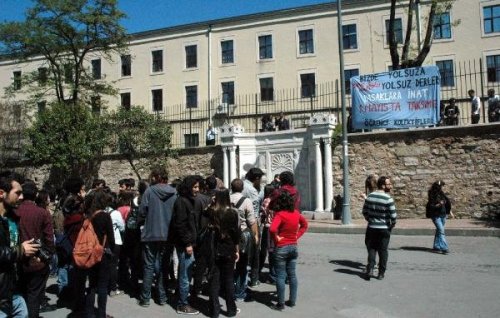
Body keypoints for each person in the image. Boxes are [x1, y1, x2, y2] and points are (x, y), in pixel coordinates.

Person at [0, 171, 40, 318]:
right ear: (1, 193)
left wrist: (28, 256)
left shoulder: (13, 218)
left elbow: (12, 249)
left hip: (13, 292)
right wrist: (21, 250)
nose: (22, 197)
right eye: (18, 193)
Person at [138, 167, 176, 307]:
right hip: (167, 234)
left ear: (155, 177)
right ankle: (162, 297)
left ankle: (145, 298)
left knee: (149, 266)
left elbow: (142, 212)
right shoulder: (174, 192)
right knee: (163, 266)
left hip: (150, 233)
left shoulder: (149, 191)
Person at [16, 181, 55, 318]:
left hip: (18, 257)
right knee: (34, 297)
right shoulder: (42, 213)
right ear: (36, 194)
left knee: (21, 294)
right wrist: (46, 257)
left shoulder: (15, 211)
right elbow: (49, 239)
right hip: (38, 260)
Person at [75, 189, 115, 318]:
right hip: (102, 254)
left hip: (90, 253)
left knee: (92, 285)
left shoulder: (89, 216)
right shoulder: (105, 216)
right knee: (102, 286)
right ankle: (101, 314)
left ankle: (90, 313)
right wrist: (113, 252)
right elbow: (111, 237)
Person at [269, 191, 308, 311]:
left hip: (282, 247)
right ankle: (292, 301)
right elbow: (305, 225)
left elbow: (272, 229)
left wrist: (277, 238)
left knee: (280, 276)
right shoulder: (296, 213)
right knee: (292, 275)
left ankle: (280, 304)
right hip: (293, 246)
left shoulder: (280, 214)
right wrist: (297, 236)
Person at [205, 189, 241, 318]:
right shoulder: (232, 213)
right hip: (228, 248)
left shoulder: (212, 212)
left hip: (214, 249)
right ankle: (231, 309)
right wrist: (237, 249)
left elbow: (204, 212)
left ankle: (214, 311)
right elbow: (236, 234)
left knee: (214, 281)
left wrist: (211, 203)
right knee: (229, 280)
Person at [170, 176, 201, 315]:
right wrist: (188, 243)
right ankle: (182, 304)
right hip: (184, 244)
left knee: (186, 273)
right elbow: (180, 225)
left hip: (187, 242)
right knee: (185, 274)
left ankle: (182, 298)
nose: (197, 190)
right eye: (195, 187)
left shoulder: (186, 200)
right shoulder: (182, 202)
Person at [362, 176, 397, 281]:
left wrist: (371, 220)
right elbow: (393, 216)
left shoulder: (370, 196)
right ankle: (381, 273)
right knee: (383, 250)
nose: (390, 186)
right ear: (383, 185)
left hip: (372, 227)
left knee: (372, 248)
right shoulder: (388, 199)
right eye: (388, 184)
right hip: (384, 228)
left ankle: (371, 268)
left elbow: (364, 212)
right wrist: (391, 225)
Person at [230, 178, 258, 302]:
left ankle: (229, 288)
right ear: (242, 188)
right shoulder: (247, 201)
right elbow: (252, 221)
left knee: (229, 265)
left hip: (228, 236)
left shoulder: (226, 199)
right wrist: (255, 236)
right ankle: (240, 292)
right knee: (242, 265)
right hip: (242, 235)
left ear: (231, 187)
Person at [242, 168, 264, 288]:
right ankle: (254, 278)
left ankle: (242, 277)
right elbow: (254, 212)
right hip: (251, 223)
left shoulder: (242, 184)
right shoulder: (252, 190)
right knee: (255, 251)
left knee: (242, 251)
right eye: (260, 179)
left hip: (240, 223)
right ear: (256, 178)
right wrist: (256, 230)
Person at [427, 180, 454, 254]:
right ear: (437, 187)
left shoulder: (442, 193)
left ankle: (436, 246)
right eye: (441, 186)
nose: (442, 187)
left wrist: (450, 212)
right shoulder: (432, 194)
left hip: (443, 214)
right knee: (441, 231)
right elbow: (431, 205)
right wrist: (439, 204)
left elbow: (446, 203)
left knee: (439, 231)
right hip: (436, 215)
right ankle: (444, 248)